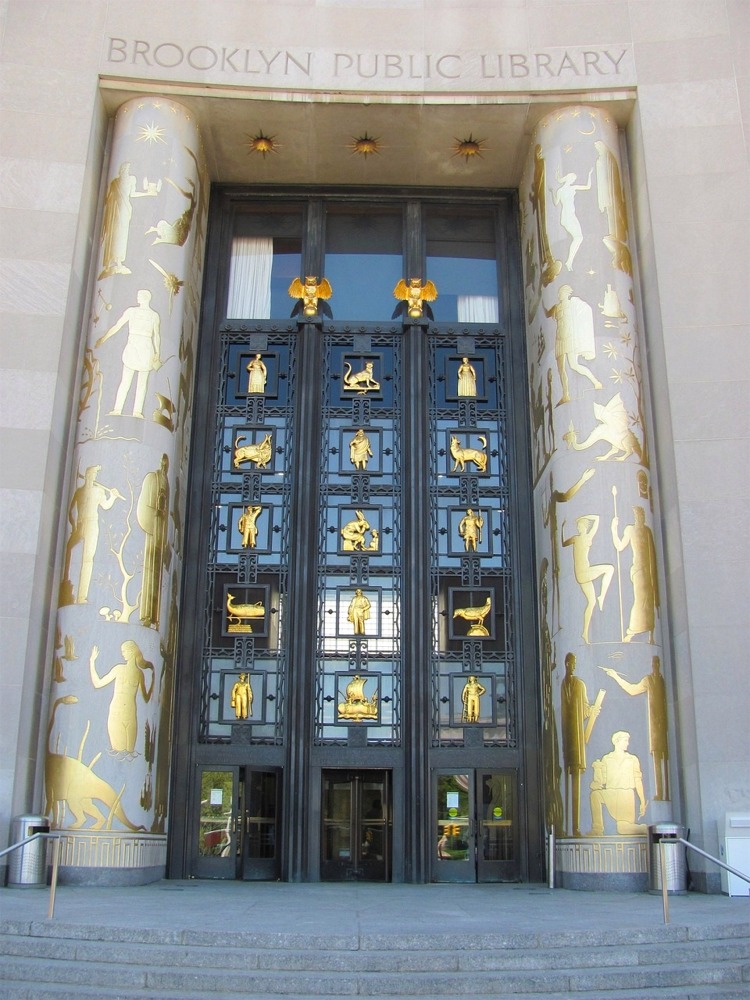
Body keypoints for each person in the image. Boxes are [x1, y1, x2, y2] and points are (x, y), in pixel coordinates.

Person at [602, 656, 669, 800]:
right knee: (657, 756)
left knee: (665, 757)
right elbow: (632, 690)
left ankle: (667, 793)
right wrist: (615, 676)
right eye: (653, 663)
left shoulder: (664, 680)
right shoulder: (648, 680)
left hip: (664, 723)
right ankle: (661, 792)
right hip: (655, 725)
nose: (655, 666)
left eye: (657, 663)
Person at [61, 465, 123, 605]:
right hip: (80, 525)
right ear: (88, 475)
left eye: (96, 474)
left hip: (92, 525)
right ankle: (66, 584)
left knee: (88, 559)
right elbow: (70, 511)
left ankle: (82, 596)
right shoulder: (79, 492)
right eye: (93, 474)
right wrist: (74, 525)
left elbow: (106, 506)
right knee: (69, 550)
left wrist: (112, 497)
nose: (95, 477)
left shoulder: (99, 491)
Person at [95, 289, 161, 418]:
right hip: (139, 347)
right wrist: (104, 338)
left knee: (132, 382)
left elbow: (156, 336)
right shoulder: (146, 314)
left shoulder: (145, 314)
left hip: (142, 347)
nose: (137, 298)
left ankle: (131, 411)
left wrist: (158, 352)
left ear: (144, 298)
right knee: (134, 382)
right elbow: (156, 336)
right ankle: (121, 409)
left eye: (139, 296)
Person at [89, 641, 154, 754]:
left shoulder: (139, 674)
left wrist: (153, 681)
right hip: (116, 713)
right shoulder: (118, 669)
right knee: (118, 752)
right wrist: (91, 662)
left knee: (130, 753)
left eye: (124, 651)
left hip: (131, 715)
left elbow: (146, 698)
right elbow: (97, 683)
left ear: (132, 652)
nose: (122, 654)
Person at [561, 652, 600, 837]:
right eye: (571, 662)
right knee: (567, 779)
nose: (573, 666)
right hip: (567, 737)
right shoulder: (563, 684)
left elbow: (584, 710)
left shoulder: (579, 684)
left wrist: (592, 711)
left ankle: (575, 827)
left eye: (575, 663)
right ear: (566, 663)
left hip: (575, 738)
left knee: (575, 778)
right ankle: (569, 827)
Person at [544, 284, 602, 405]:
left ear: (566, 294)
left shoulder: (573, 304)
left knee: (574, 365)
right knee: (561, 369)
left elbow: (585, 311)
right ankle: (565, 394)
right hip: (559, 339)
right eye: (559, 293)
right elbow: (547, 313)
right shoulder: (556, 307)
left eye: (561, 293)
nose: (559, 295)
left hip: (570, 338)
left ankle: (595, 381)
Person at [98, 161, 157, 279]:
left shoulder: (131, 180)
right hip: (113, 211)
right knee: (112, 236)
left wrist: (147, 194)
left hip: (124, 210)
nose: (127, 170)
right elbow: (108, 197)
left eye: (128, 169)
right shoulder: (115, 182)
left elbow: (133, 194)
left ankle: (119, 263)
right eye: (125, 168)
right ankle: (109, 265)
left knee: (121, 236)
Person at [561, 515, 614, 644]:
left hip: (582, 574)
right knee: (609, 569)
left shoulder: (585, 537)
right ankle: (601, 596)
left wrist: (580, 519)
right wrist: (562, 528)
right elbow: (563, 543)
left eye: (580, 525)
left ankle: (585, 632)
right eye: (578, 526)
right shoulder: (578, 538)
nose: (578, 527)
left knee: (591, 602)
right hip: (584, 572)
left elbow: (597, 519)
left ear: (585, 527)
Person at [611, 505, 659, 643]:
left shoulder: (648, 531)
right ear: (635, 517)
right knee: (640, 599)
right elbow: (619, 546)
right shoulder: (630, 530)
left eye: (642, 516)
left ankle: (651, 634)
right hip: (638, 570)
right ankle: (632, 631)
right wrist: (614, 529)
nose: (641, 518)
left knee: (649, 601)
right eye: (639, 516)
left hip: (647, 570)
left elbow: (652, 554)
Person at [588, 731, 648, 836]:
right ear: (617, 741)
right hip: (611, 793)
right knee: (595, 795)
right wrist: (595, 780)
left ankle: (645, 829)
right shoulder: (607, 759)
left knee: (623, 829)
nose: (627, 743)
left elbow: (638, 781)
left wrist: (642, 801)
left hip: (626, 796)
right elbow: (603, 781)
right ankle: (597, 829)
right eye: (625, 741)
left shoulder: (632, 759)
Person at [137, 455, 170, 628]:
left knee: (157, 574)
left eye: (165, 462)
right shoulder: (152, 478)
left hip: (161, 532)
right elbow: (145, 505)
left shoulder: (166, 482)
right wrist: (157, 511)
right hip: (153, 530)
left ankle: (155, 617)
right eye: (162, 462)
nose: (164, 465)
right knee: (149, 571)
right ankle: (146, 615)